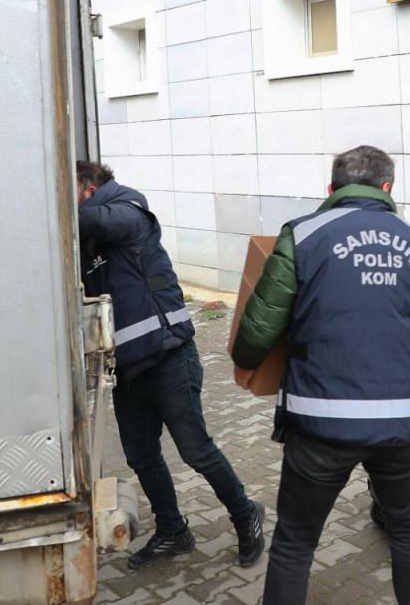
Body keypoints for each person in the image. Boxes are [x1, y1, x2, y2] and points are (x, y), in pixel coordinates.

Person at [231, 145, 410, 605]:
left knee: (295, 541)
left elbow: (259, 328)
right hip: (402, 422)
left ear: (331, 188)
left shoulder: (303, 235)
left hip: (321, 423)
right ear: (387, 187)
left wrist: (245, 362)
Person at [75, 160, 265, 571]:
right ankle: (173, 530)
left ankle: (245, 512)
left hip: (168, 357)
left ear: (89, 188)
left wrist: (53, 207)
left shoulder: (128, 210)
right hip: (127, 368)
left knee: (196, 450)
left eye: (68, 190)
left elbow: (101, 222)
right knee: (142, 457)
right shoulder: (88, 238)